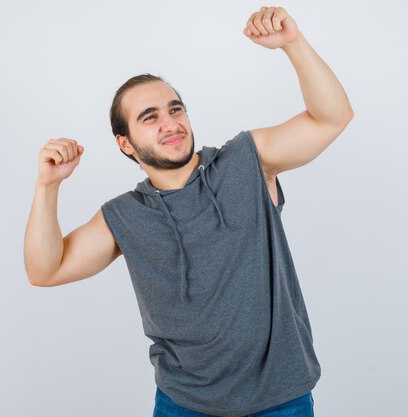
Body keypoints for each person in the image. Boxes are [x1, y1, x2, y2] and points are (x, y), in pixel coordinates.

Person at [24, 6, 353, 417]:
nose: (170, 123)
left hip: (280, 399)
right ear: (125, 143)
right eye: (150, 117)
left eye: (175, 109)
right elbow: (45, 270)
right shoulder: (124, 216)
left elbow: (332, 117)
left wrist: (293, 44)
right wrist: (47, 186)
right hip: (184, 405)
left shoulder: (246, 161)